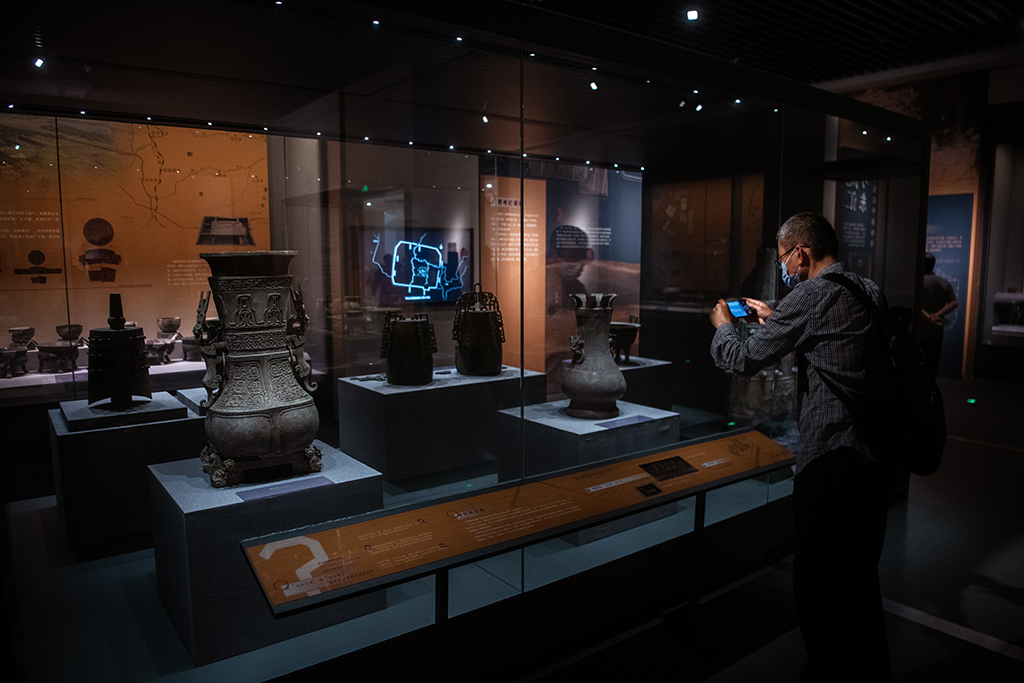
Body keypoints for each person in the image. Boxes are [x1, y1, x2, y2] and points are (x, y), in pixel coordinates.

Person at [708, 212, 897, 682]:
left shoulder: (810, 295)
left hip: (830, 462)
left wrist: (722, 326)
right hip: (874, 460)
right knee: (859, 585)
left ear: (801, 253)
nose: (784, 268)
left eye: (783, 258)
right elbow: (834, 344)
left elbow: (744, 359)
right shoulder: (867, 289)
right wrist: (777, 319)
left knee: (819, 588)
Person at [919, 252, 957, 376]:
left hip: (919, 330)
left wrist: (927, 317)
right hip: (936, 331)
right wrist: (937, 315)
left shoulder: (918, 283)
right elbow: (953, 303)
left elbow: (915, 303)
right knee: (932, 366)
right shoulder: (944, 283)